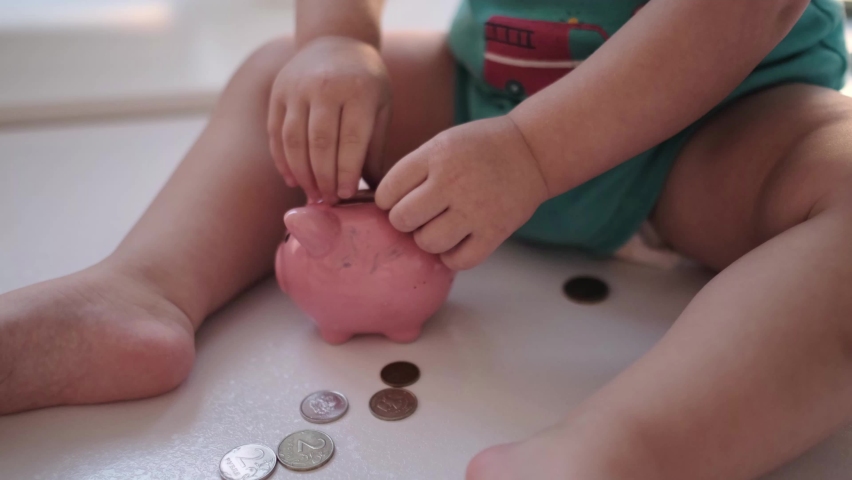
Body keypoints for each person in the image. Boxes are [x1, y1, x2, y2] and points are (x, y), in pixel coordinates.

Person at [1, 0, 851, 478]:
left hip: (725, 131)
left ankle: (629, 451)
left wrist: (534, 153)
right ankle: (144, 288)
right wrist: (338, 41)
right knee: (277, 76)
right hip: (487, 99)